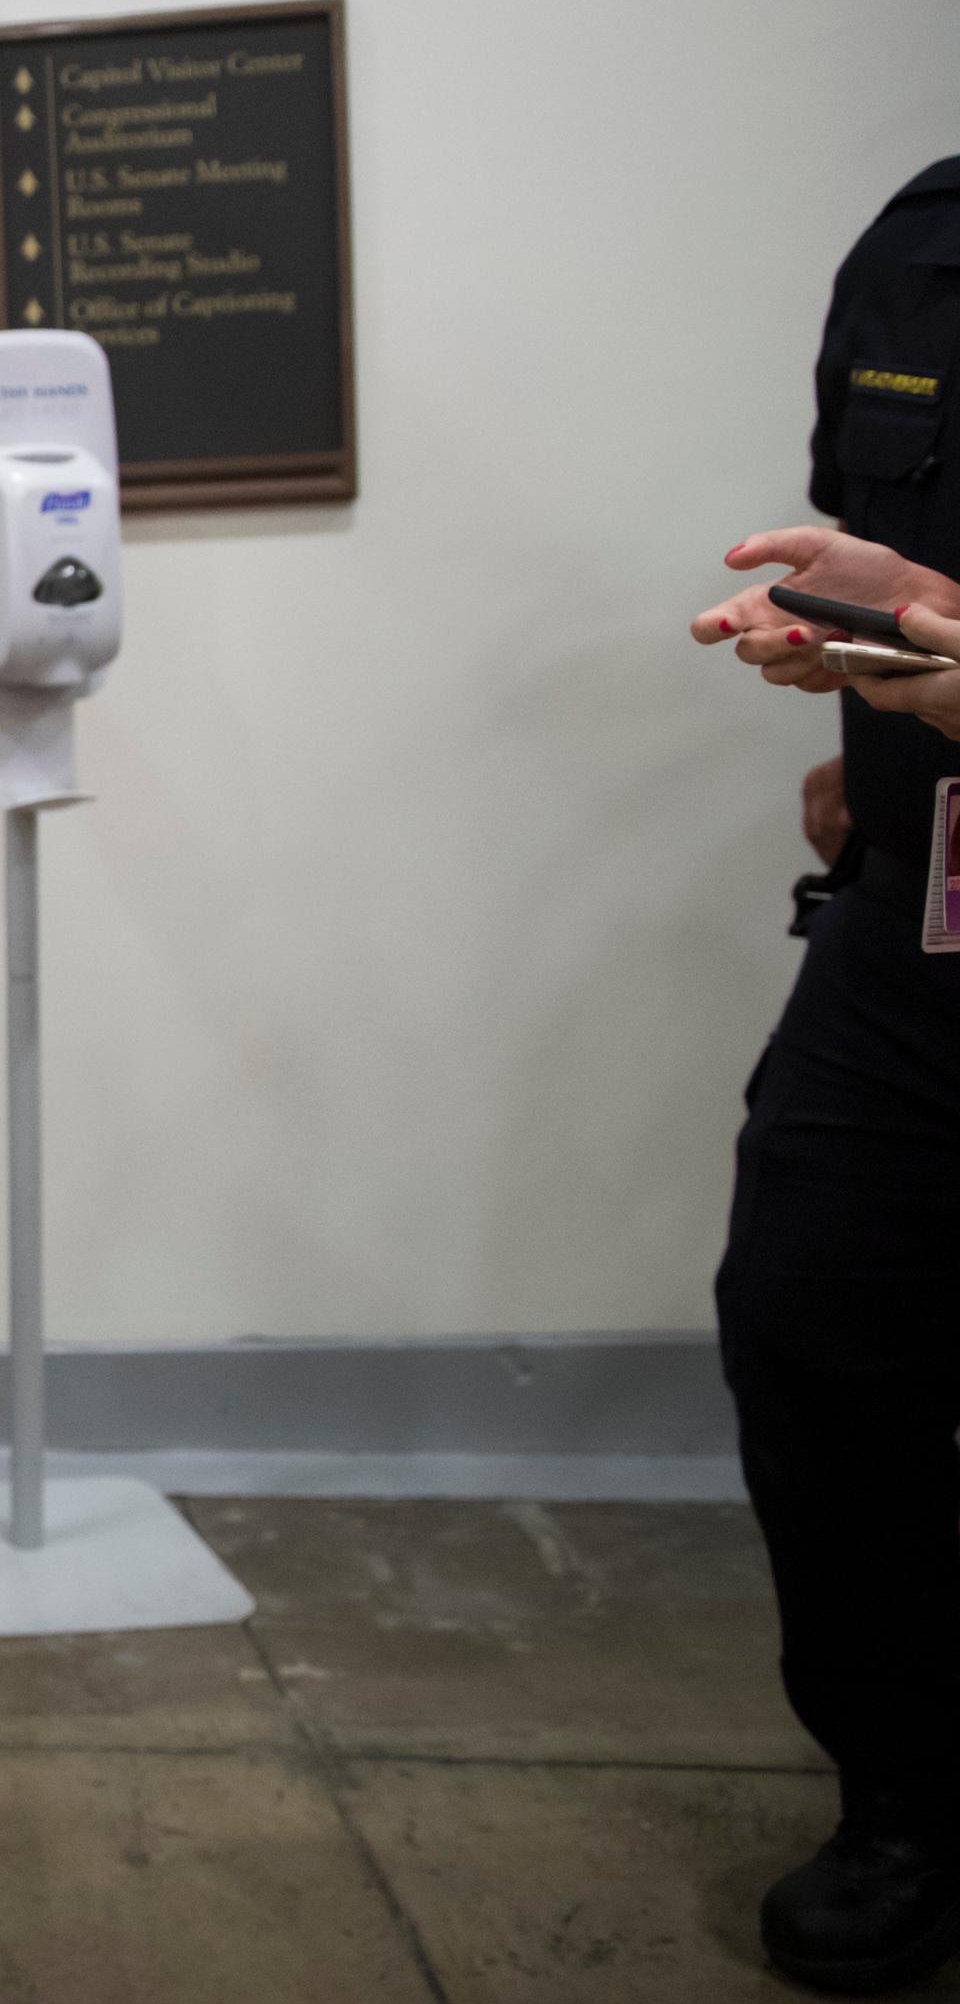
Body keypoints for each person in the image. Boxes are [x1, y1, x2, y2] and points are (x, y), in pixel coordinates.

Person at [690, 150, 960, 1998]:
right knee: (809, 1325)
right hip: (912, 930)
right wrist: (876, 637)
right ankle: (906, 1806)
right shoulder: (929, 241)